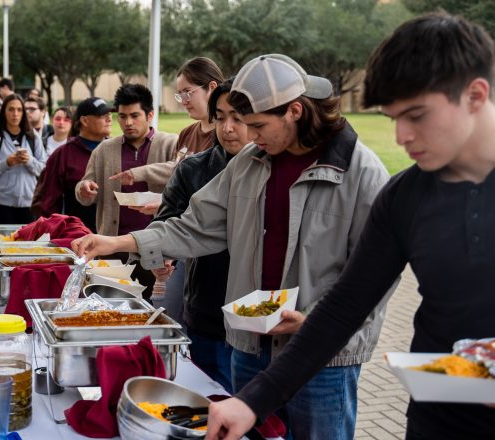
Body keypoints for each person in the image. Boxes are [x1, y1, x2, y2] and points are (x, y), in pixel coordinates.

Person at [203, 14, 495, 440]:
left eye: (415, 115)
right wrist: (252, 401)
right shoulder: (403, 197)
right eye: (392, 117)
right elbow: (343, 309)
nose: (400, 136)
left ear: (475, 95)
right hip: (437, 419)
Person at [72, 54, 392, 440]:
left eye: (256, 125)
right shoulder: (249, 164)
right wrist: (119, 242)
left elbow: (375, 278)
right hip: (250, 346)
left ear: (294, 111)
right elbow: (194, 226)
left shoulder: (362, 173)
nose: (249, 136)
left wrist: (315, 322)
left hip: (322, 356)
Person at [153, 79, 249, 392]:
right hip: (205, 316)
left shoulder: (277, 172)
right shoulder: (193, 168)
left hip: (255, 328)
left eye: (238, 118)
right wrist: (160, 259)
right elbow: (165, 223)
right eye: (220, 118)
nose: (228, 128)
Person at [74, 84, 178, 299]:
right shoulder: (104, 149)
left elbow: (178, 172)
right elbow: (85, 185)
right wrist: (84, 189)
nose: (128, 123)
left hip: (156, 249)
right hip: (112, 249)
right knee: (108, 309)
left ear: (150, 115)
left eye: (134, 115)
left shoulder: (170, 144)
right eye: (122, 116)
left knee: (154, 310)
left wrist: (140, 173)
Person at [113, 57, 226, 205]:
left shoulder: (228, 135)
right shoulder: (186, 133)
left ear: (212, 87)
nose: (184, 101)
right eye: (180, 95)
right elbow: (176, 174)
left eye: (187, 92)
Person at [32, 97, 112, 232]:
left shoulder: (117, 150)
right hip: (78, 237)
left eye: (109, 115)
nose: (109, 119)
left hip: (115, 239)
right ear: (84, 120)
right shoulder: (63, 154)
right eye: (102, 115)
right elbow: (48, 203)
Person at [0, 94, 47, 225]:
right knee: (2, 244)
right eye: (11, 109)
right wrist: (6, 163)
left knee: (28, 244)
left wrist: (29, 161)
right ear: (4, 111)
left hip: (29, 203)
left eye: (19, 109)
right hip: (2, 204)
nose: (15, 114)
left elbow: (45, 170)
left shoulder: (33, 136)